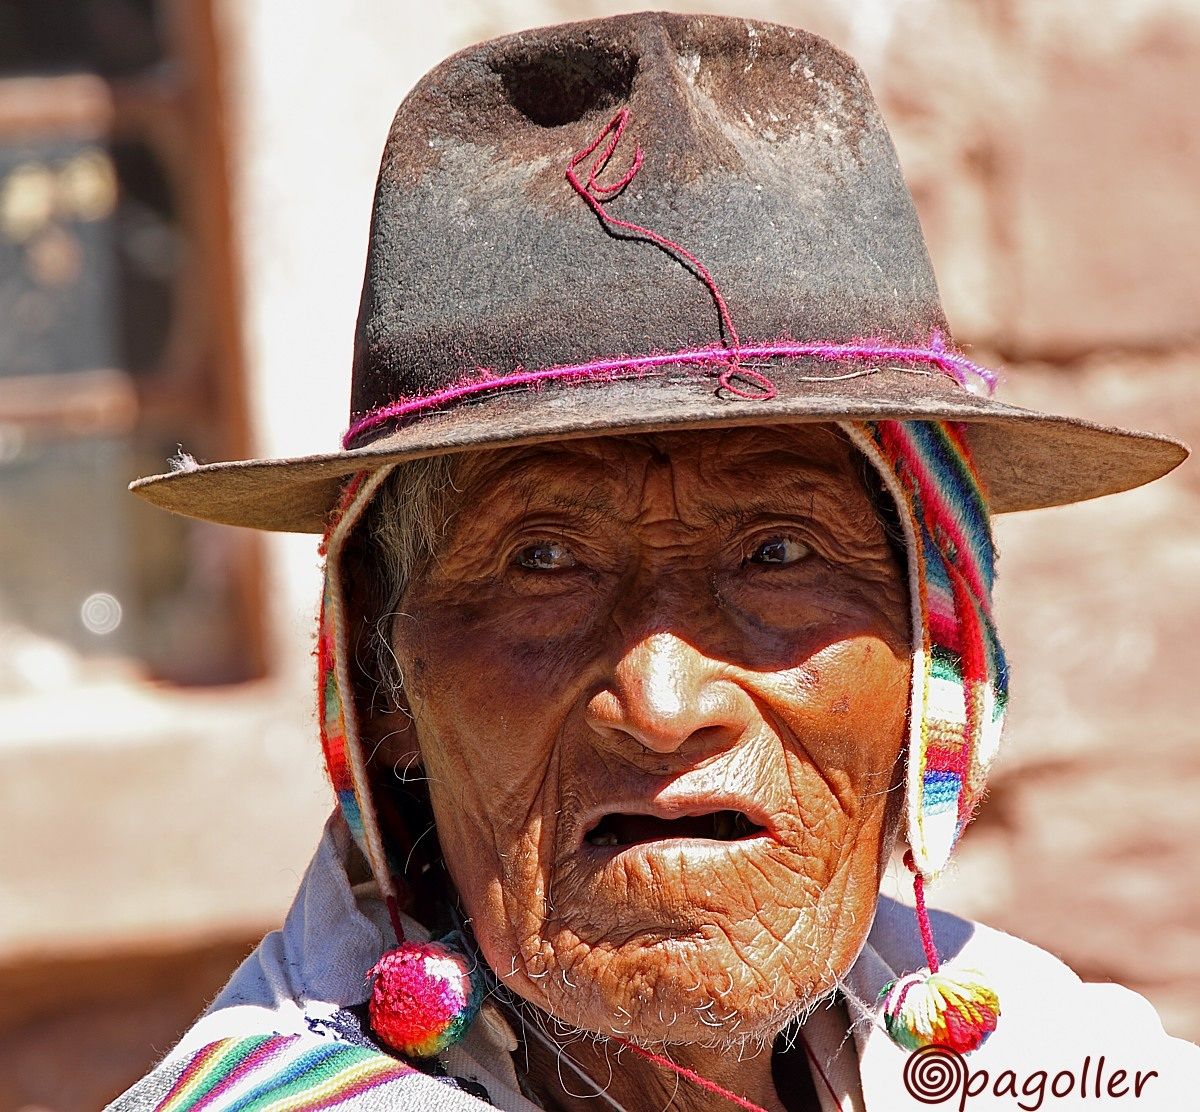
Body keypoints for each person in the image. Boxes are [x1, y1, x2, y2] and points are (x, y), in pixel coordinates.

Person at [111, 13, 1198, 1111]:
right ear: (381, 679)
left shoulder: (1052, 1065)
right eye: (543, 560)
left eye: (779, 551)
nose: (665, 708)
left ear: (939, 660)